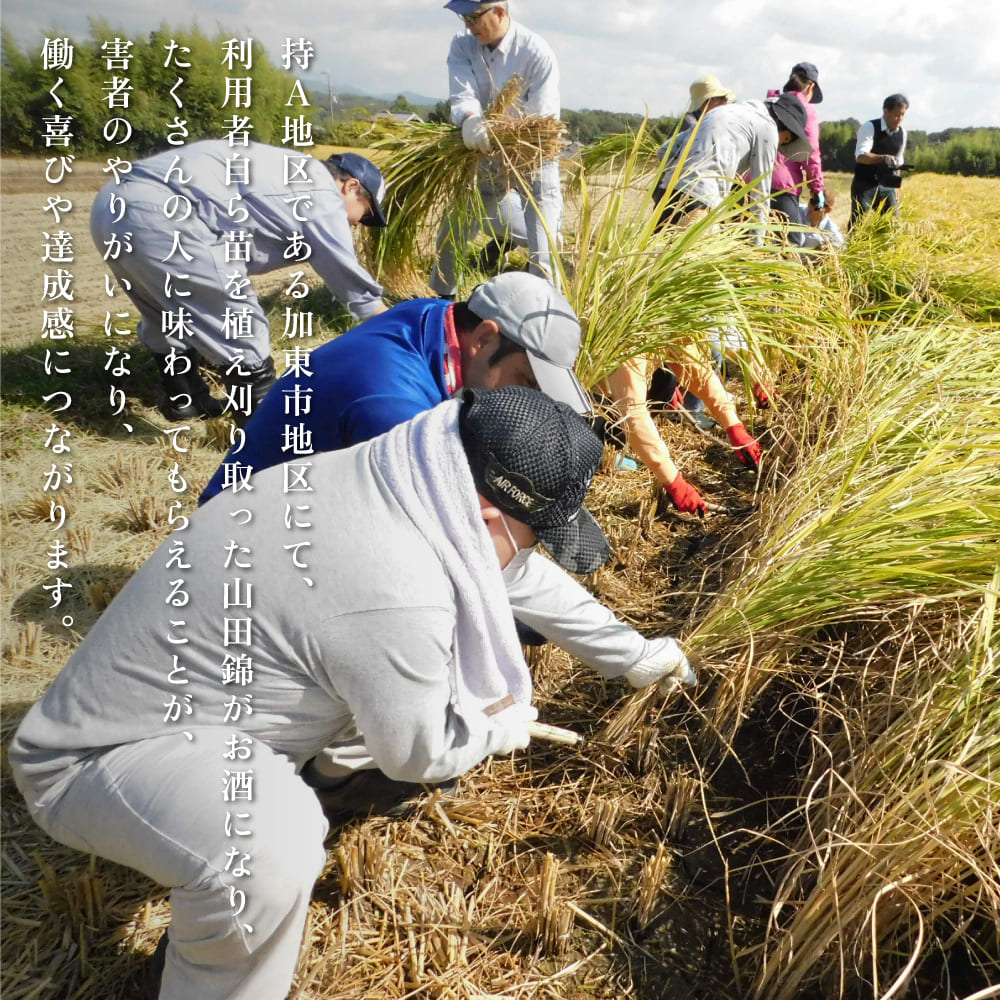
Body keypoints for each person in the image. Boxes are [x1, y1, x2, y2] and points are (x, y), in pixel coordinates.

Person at [11, 385, 693, 1000]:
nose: (537, 551)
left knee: (388, 683)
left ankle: (324, 781)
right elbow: (418, 755)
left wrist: (639, 658)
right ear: (489, 514)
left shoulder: (407, 476)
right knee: (270, 845)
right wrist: (500, 727)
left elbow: (518, 581)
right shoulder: (395, 586)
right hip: (99, 761)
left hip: (196, 714)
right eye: (535, 535)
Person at [200, 270, 695, 802]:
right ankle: (338, 765)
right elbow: (475, 556)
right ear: (484, 339)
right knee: (445, 620)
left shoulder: (439, 324)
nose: (526, 404)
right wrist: (621, 655)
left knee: (489, 612)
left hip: (301, 526)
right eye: (526, 383)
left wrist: (629, 652)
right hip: (255, 560)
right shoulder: (393, 405)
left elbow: (496, 551)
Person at [90, 141, 388, 423]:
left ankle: (186, 403)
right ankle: (262, 442)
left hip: (112, 204)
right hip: (162, 212)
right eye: (367, 213)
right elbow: (353, 284)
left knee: (166, 314)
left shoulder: (289, 169)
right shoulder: (322, 192)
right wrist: (402, 329)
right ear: (351, 186)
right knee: (241, 328)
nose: (358, 223)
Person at [430, 0, 563, 297]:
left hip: (534, 154)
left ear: (500, 12)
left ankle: (541, 311)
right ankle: (441, 300)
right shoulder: (463, 45)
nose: (469, 25)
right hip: (483, 151)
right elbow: (462, 93)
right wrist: (470, 120)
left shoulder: (535, 52)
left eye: (475, 17)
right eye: (464, 17)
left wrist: (500, 132)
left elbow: (540, 118)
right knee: (454, 229)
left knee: (544, 245)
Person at [654, 91, 812, 235]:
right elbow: (760, 195)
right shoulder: (768, 127)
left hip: (667, 193)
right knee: (690, 263)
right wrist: (757, 246)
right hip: (700, 199)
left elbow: (664, 150)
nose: (779, 146)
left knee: (655, 261)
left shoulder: (720, 111)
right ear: (779, 122)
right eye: (784, 139)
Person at [768, 62, 827, 246]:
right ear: (811, 87)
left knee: (751, 242)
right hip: (781, 186)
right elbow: (810, 154)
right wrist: (817, 190)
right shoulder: (805, 110)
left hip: (748, 180)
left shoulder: (772, 102)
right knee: (789, 245)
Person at [850, 94, 909, 227]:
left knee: (893, 224)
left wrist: (896, 187)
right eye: (896, 115)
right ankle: (853, 246)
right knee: (859, 223)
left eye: (903, 115)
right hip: (864, 184)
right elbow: (861, 156)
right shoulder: (869, 127)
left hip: (887, 186)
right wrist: (882, 158)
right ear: (886, 111)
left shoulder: (903, 133)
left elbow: (898, 161)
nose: (899, 119)